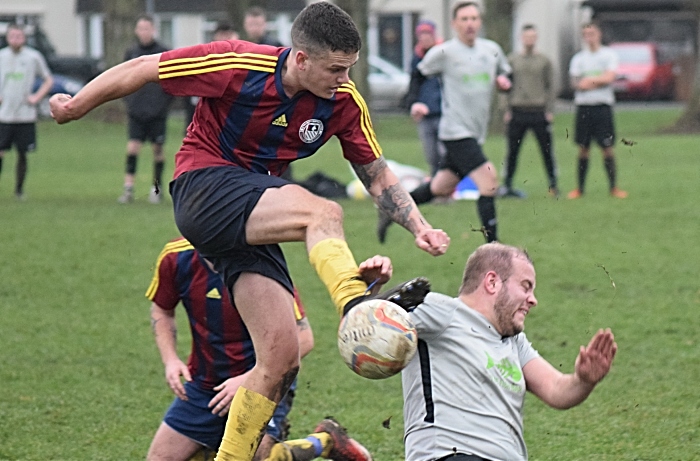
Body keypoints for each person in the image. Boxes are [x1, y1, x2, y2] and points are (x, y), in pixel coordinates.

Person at [49, 2, 449, 460]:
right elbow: (146, 68)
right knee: (323, 213)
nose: (345, 79)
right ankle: (356, 305)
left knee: (280, 359)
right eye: (336, 69)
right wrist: (76, 105)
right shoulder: (238, 63)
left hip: (248, 217)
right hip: (204, 187)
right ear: (301, 58)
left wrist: (420, 226)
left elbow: (376, 172)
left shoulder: (342, 101)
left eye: (350, 68)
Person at [146, 237, 372, 461]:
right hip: (206, 384)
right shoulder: (176, 257)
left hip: (265, 380)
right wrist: (171, 360)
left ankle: (324, 441)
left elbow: (303, 337)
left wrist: (249, 378)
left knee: (257, 456)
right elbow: (162, 310)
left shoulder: (260, 264)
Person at [400, 242, 618, 460]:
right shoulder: (442, 311)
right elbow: (373, 318)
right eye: (525, 286)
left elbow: (556, 390)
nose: (533, 300)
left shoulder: (514, 342)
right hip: (449, 454)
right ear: (492, 282)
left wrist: (584, 380)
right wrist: (368, 284)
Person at [377, 2, 511, 244]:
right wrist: (414, 102)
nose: (470, 23)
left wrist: (504, 81)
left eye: (473, 18)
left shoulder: (491, 49)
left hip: (475, 131)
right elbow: (418, 74)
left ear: (480, 21)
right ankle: (494, 247)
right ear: (454, 24)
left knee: (440, 187)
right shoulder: (445, 52)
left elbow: (507, 73)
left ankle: (392, 207)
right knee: (489, 181)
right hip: (455, 132)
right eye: (464, 19)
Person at [567, 22, 627, 200]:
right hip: (584, 107)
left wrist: (589, 82)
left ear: (599, 34)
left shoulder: (608, 55)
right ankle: (580, 189)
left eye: (592, 33)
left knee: (607, 148)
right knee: (583, 148)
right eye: (585, 34)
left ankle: (613, 187)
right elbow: (576, 83)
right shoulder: (578, 59)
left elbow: (609, 77)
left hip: (603, 107)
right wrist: (596, 81)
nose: (589, 37)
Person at [119, 14, 173, 205]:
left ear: (154, 30)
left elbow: (171, 84)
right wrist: (130, 102)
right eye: (140, 28)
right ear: (136, 31)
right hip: (136, 111)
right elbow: (123, 79)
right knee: (133, 147)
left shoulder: (163, 53)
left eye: (147, 28)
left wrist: (163, 105)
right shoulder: (132, 53)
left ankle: (156, 189)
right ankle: (128, 189)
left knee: (158, 149)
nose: (144, 32)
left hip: (157, 112)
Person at [500, 24, 558, 199]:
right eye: (527, 37)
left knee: (547, 150)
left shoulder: (544, 61)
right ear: (521, 38)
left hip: (538, 111)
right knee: (512, 151)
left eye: (533, 37)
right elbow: (504, 87)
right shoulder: (512, 61)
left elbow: (551, 87)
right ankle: (508, 185)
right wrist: (506, 109)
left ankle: (553, 184)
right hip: (518, 111)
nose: (530, 40)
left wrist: (549, 109)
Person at [0, 23, 53, 200]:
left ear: (24, 38)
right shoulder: (1, 56)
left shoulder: (33, 57)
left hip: (25, 114)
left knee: (22, 152)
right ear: (7, 38)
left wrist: (36, 98)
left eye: (19, 36)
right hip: (4, 115)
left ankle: (19, 190)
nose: (16, 39)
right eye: (13, 36)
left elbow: (48, 80)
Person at [184, 22, 240, 135]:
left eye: (228, 35)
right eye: (222, 35)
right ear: (215, 37)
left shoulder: (241, 60)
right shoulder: (205, 58)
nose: (225, 39)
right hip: (207, 115)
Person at [404, 20, 444, 176]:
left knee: (444, 153)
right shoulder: (416, 59)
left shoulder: (443, 55)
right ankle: (436, 187)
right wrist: (413, 104)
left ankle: (447, 188)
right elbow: (413, 85)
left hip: (443, 113)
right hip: (424, 114)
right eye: (422, 35)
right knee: (431, 154)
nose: (425, 38)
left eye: (428, 34)